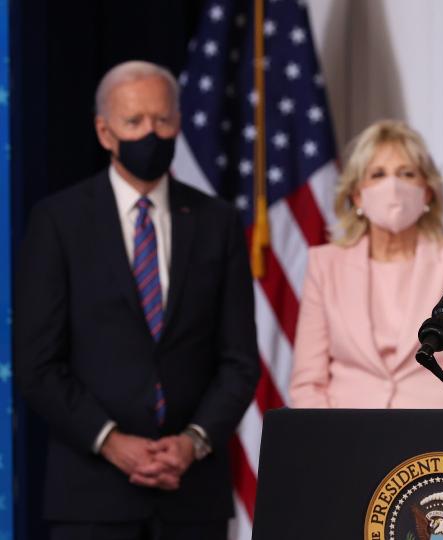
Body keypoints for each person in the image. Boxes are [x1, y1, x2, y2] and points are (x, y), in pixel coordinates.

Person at [14, 60, 259, 539]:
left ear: (178, 123)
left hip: (191, 494)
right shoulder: (58, 222)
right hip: (91, 495)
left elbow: (239, 361)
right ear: (105, 132)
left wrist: (193, 442)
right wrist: (110, 441)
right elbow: (37, 364)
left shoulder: (218, 222)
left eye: (162, 120)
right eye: (134, 122)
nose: (151, 132)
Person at [289, 120, 443, 409]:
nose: (393, 187)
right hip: (345, 436)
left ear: (427, 192)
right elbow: (308, 383)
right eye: (378, 175)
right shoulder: (325, 264)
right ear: (356, 195)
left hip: (437, 437)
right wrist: (326, 444)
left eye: (406, 174)